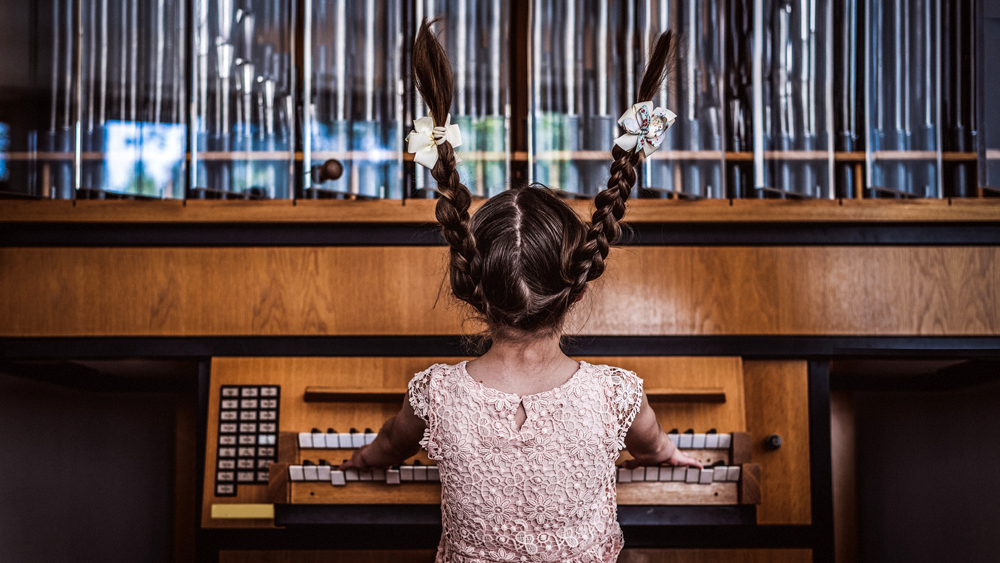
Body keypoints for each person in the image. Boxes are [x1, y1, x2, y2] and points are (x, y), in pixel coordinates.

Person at [341, 20, 703, 563]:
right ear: (577, 291)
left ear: (473, 288)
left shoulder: (434, 394)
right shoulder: (619, 395)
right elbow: (653, 445)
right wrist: (672, 453)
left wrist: (364, 459)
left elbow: (389, 445)